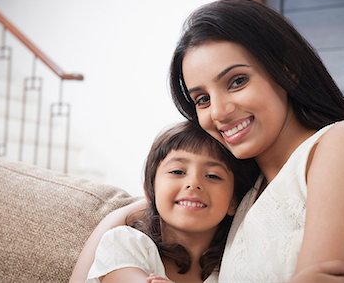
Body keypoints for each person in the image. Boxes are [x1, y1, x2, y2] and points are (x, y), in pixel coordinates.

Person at [71, 0, 344, 282]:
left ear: (287, 70)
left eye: (237, 81)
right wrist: (136, 209)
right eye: (202, 99)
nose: (219, 112)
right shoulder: (244, 200)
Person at [86, 121, 255, 283]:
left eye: (212, 176)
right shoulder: (125, 243)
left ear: (233, 201)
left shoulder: (236, 268)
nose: (194, 183)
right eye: (177, 171)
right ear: (151, 189)